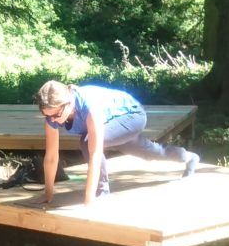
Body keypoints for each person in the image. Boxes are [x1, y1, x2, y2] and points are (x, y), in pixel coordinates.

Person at [35, 80, 199, 208]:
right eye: (47, 116)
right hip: (112, 124)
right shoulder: (52, 118)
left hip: (133, 116)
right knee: (151, 152)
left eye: (56, 115)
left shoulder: (90, 108)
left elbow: (95, 154)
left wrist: (89, 200)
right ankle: (189, 157)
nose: (52, 120)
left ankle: (102, 192)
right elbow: (51, 157)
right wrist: (48, 193)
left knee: (87, 143)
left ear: (69, 103)